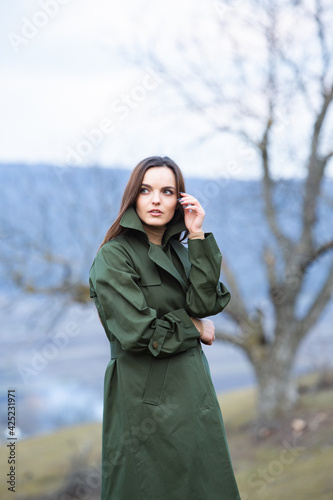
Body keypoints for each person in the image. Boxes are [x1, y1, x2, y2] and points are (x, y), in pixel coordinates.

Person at [89, 156, 241, 500]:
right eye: (146, 190)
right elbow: (138, 333)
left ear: (179, 200)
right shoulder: (115, 256)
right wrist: (192, 327)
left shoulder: (180, 251)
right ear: (133, 196)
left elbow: (205, 303)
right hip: (144, 396)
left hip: (194, 390)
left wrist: (198, 234)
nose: (156, 199)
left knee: (206, 486)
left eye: (167, 191)